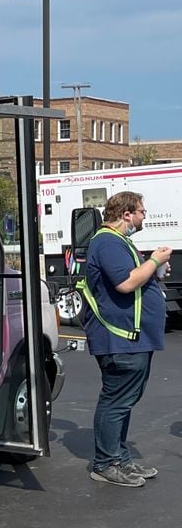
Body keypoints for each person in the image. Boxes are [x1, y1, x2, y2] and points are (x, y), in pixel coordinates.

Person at [78, 191, 175, 488]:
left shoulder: (118, 242)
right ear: (126, 214)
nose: (145, 216)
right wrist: (155, 260)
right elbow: (125, 283)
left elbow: (134, 278)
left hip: (132, 338)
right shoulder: (107, 242)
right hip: (120, 338)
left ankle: (119, 458)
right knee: (116, 401)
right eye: (142, 211)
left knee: (124, 401)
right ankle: (106, 464)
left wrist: (155, 272)